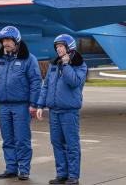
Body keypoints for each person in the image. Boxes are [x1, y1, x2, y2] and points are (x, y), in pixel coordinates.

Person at [0, 26, 42, 181]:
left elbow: (35, 82)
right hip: (3, 105)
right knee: (7, 139)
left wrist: (33, 104)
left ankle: (24, 170)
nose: (6, 43)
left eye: (9, 40)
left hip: (21, 106)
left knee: (22, 139)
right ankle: (11, 168)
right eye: (4, 40)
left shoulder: (29, 59)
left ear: (16, 41)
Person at [37, 34, 87, 185]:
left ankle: (73, 176)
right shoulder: (53, 65)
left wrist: (66, 65)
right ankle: (62, 174)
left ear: (69, 47)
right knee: (57, 143)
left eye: (61, 46)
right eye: (57, 46)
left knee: (71, 144)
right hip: (54, 111)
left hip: (69, 111)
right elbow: (46, 86)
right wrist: (40, 105)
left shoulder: (80, 65)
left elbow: (74, 82)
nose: (58, 49)